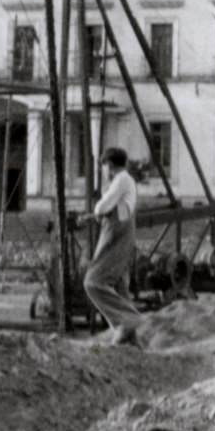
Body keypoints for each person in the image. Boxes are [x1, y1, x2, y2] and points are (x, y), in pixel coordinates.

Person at [82, 147, 142, 346]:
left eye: (104, 168)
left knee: (93, 281)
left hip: (116, 236)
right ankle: (130, 340)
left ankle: (128, 320)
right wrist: (96, 216)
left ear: (109, 166)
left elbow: (103, 206)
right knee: (119, 286)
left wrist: (97, 211)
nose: (104, 173)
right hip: (122, 234)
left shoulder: (122, 179)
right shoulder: (127, 181)